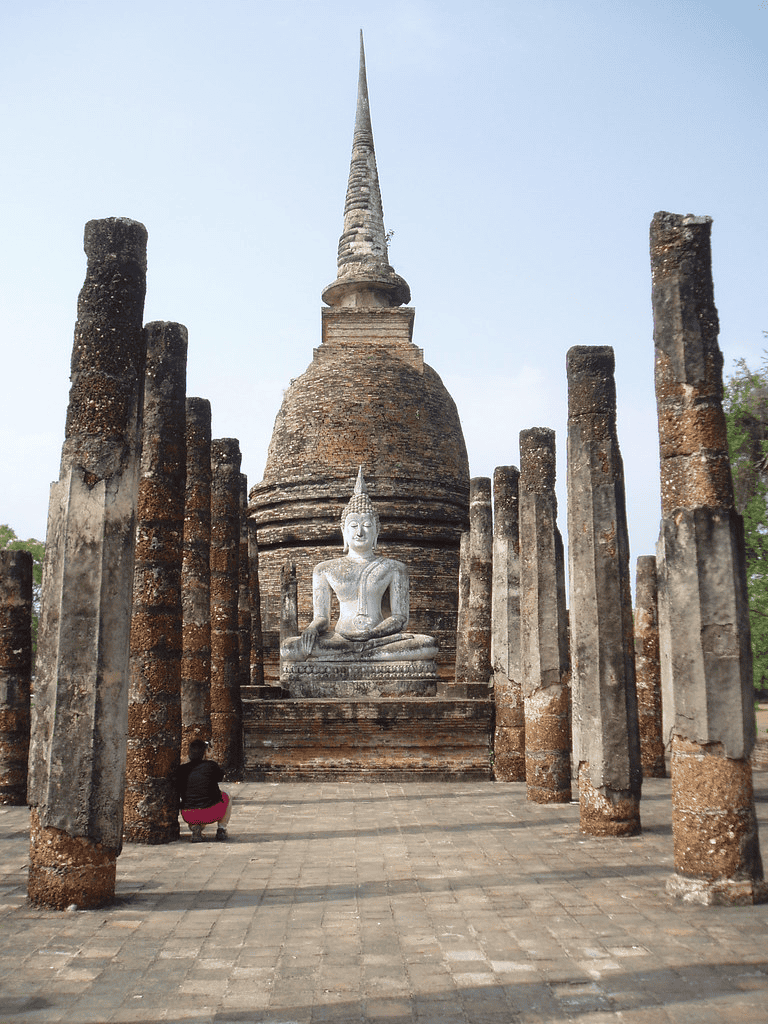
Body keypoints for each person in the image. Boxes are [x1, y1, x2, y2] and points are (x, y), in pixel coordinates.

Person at [281, 468, 437, 663]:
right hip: (340, 639)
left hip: (380, 639)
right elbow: (322, 618)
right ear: (344, 532)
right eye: (354, 525)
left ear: (376, 532)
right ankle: (359, 655)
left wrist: (373, 634)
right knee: (288, 647)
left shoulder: (395, 568)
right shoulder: (325, 569)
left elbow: (400, 618)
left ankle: (356, 654)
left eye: (367, 526)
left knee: (427, 644)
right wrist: (312, 629)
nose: (360, 532)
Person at [173, 739, 232, 842]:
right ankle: (221, 829)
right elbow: (220, 777)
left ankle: (195, 827)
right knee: (227, 795)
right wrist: (209, 759)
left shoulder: (181, 770)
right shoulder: (211, 766)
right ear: (205, 752)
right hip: (212, 813)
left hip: (189, 814)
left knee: (196, 803)